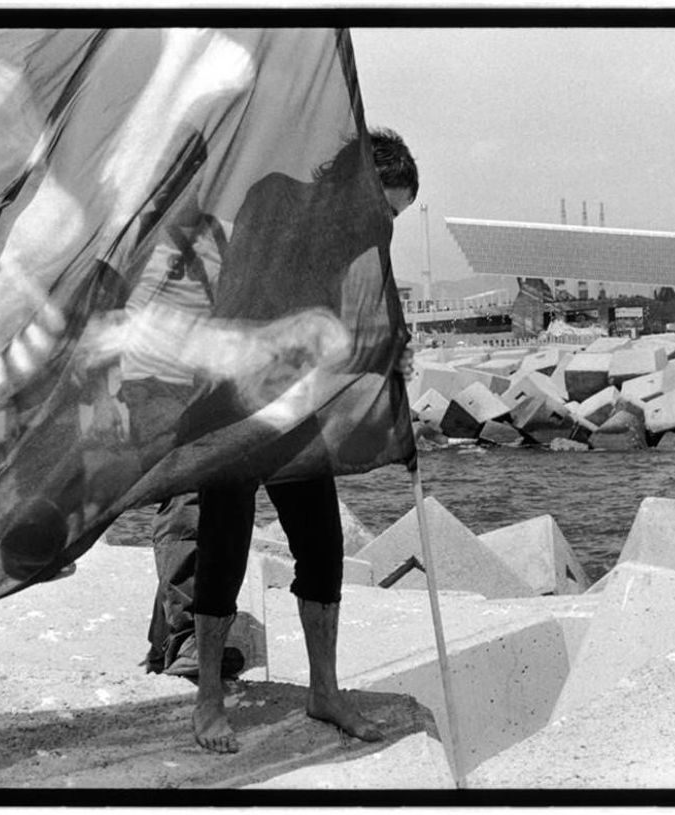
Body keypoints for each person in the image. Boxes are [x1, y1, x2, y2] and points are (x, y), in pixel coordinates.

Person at [186, 127, 419, 753]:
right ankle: (209, 699)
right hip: (234, 400)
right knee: (224, 543)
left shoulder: (354, 241)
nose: (386, 227)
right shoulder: (275, 197)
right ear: (359, 186)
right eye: (386, 210)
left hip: (295, 406)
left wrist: (389, 349)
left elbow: (345, 323)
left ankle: (325, 690)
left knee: (322, 544)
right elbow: (250, 288)